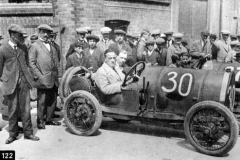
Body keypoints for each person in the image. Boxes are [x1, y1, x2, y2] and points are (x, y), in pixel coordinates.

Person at [0, 24, 39, 144]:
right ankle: (13, 134)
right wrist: (3, 81)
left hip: (23, 83)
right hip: (10, 83)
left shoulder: (23, 47)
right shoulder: (2, 49)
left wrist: (28, 80)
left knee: (26, 109)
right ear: (12, 35)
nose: (22, 37)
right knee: (12, 110)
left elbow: (26, 63)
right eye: (19, 35)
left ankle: (28, 133)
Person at [29, 24, 61, 129]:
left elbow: (57, 62)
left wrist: (58, 75)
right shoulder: (35, 46)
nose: (46, 35)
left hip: (53, 77)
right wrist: (39, 76)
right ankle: (40, 121)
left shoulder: (52, 46)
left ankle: (49, 119)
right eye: (44, 32)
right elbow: (31, 63)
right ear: (39, 33)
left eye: (48, 32)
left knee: (52, 100)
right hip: (42, 78)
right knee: (42, 101)